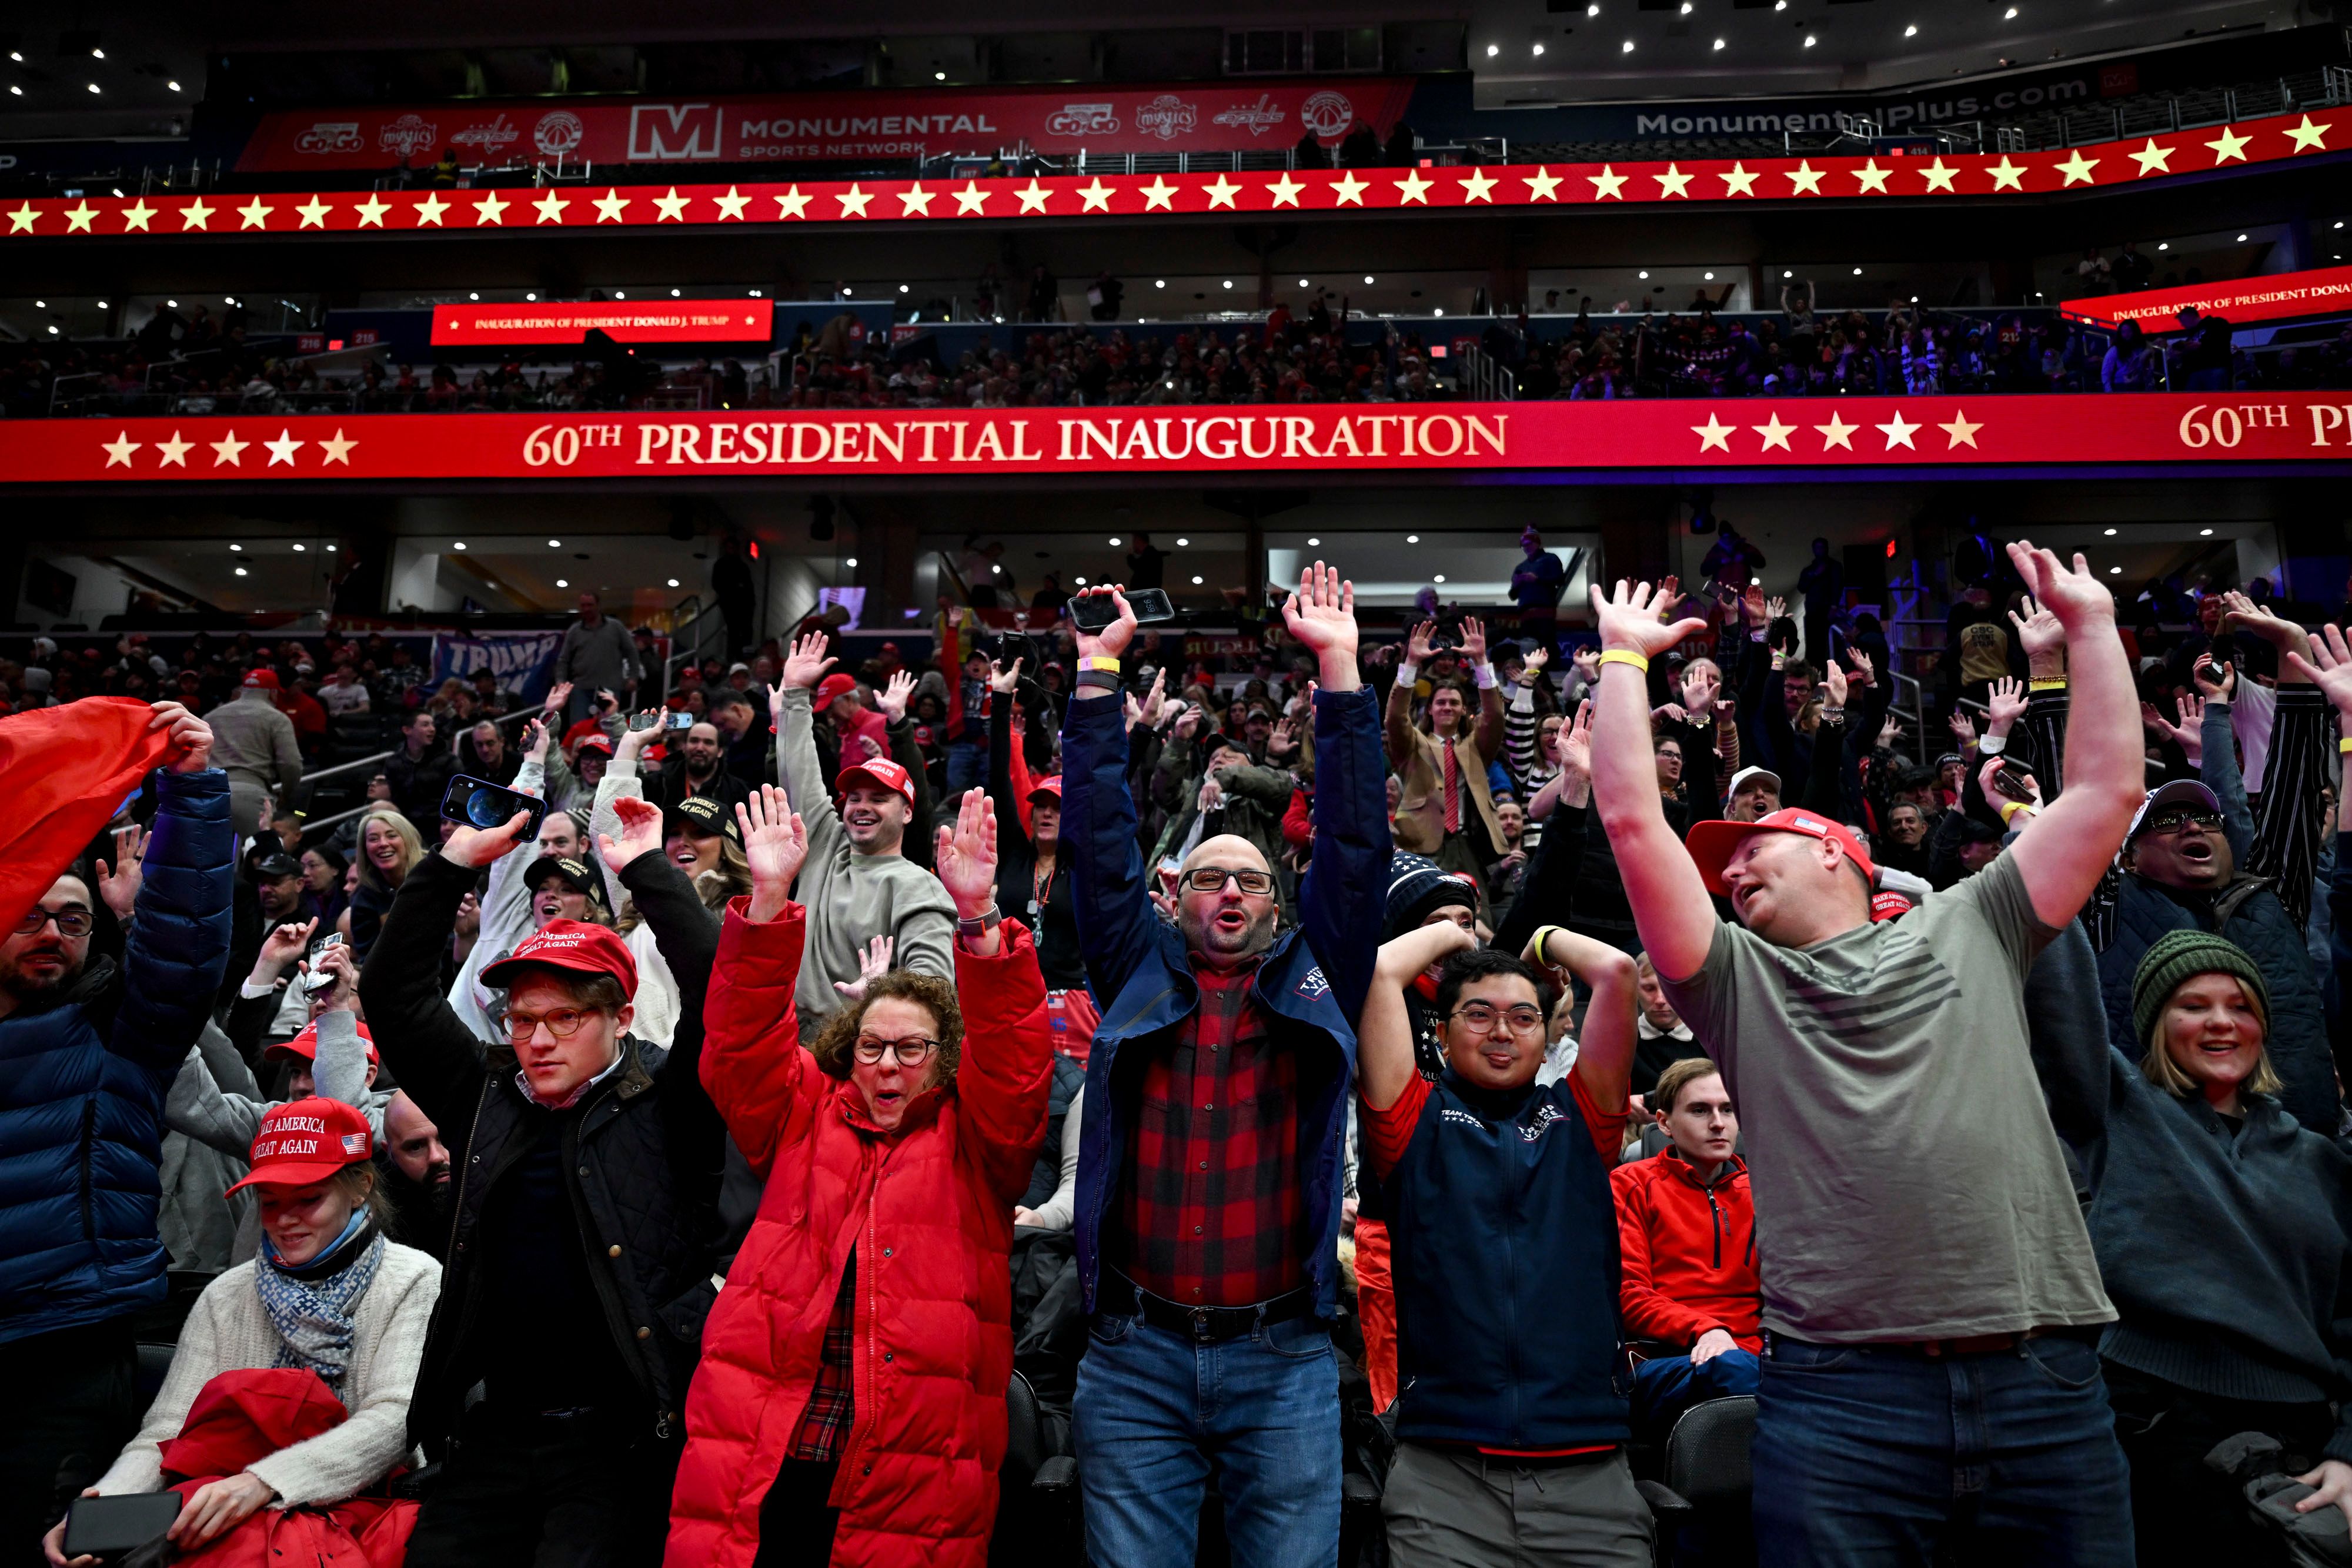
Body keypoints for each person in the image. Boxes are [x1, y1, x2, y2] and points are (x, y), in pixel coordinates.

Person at [1585, 544, 2144, 1563]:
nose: (1734, 865)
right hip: (1844, 1395)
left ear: (1842, 846)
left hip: (2043, 1377)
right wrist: (1624, 660)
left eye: (1758, 847)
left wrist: (2093, 629)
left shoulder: (1978, 919)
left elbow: (2105, 792)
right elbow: (1629, 821)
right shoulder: (1738, 984)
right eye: (1722, 863)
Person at [1063, 566, 1388, 1568]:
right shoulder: (1135, 969)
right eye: (1210, 878)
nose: (1232, 894)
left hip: (1281, 1354)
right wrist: (1096, 673)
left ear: (1281, 909)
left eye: (1251, 880)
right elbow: (1098, 845)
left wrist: (1340, 672)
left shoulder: (1314, 976)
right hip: (1135, 1356)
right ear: (1175, 898)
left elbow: (1351, 843)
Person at [665, 786, 1053, 1567]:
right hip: (772, 1451)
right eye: (872, 1044)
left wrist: (976, 916)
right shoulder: (804, 1108)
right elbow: (738, 1048)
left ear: (944, 1058)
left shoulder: (979, 1141)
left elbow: (1015, 1068)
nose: (888, 1064)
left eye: (913, 1048)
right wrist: (770, 900)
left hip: (908, 1471)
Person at [353, 793, 725, 1566]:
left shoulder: (669, 1101)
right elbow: (394, 993)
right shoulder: (486, 1096)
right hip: (496, 1428)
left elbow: (722, 994)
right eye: (523, 1018)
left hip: (621, 1440)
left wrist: (648, 870)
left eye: (566, 1017)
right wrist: (451, 862)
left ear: (621, 1018)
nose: (540, 1039)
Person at [2029, 928, 2352, 1559]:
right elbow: (2052, 989)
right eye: (2192, 1006)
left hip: (2301, 1443)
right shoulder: (2116, 1112)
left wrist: (2348, 1456)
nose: (2221, 1023)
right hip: (2152, 1431)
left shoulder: (2319, 1160)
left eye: (2240, 1007)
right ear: (2155, 1025)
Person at [2, 702, 229, 1566]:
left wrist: (196, 790)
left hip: (68, 1351)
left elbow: (183, 940)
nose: (53, 931)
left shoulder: (118, 1037)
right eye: (31, 912)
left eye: (74, 917)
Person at [1357, 920, 1648, 1568]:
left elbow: (1617, 973)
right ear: (1440, 1030)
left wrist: (1540, 940)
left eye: (1523, 1017)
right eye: (1478, 1014)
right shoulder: (1412, 1122)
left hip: (1589, 1471)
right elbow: (1379, 972)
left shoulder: (1582, 1121)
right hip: (1445, 1475)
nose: (1501, 1031)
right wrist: (1446, 936)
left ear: (1547, 1037)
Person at [39, 1096, 440, 1568]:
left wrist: (260, 1483)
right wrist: (100, 1509)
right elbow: (167, 1434)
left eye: (308, 1199)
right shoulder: (226, 1293)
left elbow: (393, 1420)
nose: (284, 1220)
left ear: (360, 1188)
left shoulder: (413, 1278)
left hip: (366, 1511)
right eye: (269, 1202)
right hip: (225, 1521)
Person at [770, 634, 956, 1038]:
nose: (861, 806)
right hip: (790, 1043)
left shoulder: (920, 887)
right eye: (854, 797)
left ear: (907, 813)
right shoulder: (825, 844)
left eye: (879, 798)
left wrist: (882, 997)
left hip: (862, 1050)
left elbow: (937, 989)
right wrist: (796, 696)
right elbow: (798, 771)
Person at [1612, 1058, 1759, 1449]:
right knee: (1737, 1370)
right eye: (1700, 1110)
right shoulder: (1632, 1183)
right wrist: (1706, 1328)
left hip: (1753, 1355)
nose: (1718, 1122)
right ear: (1664, 1123)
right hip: (1663, 1358)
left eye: (1727, 1109)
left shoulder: (1765, 1189)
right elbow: (1627, 1294)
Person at [1387, 618, 1507, 892]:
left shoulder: (1475, 747)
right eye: (1440, 702)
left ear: (1465, 710)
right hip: (1420, 844)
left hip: (1469, 844)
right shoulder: (1414, 745)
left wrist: (1480, 661)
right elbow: (1395, 718)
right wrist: (1411, 665)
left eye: (1455, 702)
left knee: (1478, 919)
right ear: (1429, 709)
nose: (1447, 707)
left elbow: (1495, 716)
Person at [203, 670, 303, 838]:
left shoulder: (211, 717)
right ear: (273, 693)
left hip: (207, 794)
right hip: (249, 795)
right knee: (258, 858)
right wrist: (287, 795)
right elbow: (291, 764)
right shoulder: (277, 718)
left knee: (204, 858)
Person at [553, 593, 640, 728]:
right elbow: (563, 660)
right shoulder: (574, 631)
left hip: (610, 687)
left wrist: (633, 677)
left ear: (599, 606)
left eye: (590, 605)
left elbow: (632, 652)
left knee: (610, 729)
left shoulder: (616, 627)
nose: (586, 609)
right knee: (578, 729)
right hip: (581, 688)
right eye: (583, 606)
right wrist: (560, 682)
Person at [1511, 527, 1566, 655]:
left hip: (1544, 610)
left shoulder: (1550, 559)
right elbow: (1513, 595)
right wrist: (1517, 584)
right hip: (1525, 613)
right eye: (1524, 546)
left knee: (1546, 642)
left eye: (1529, 544)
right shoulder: (1521, 567)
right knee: (1528, 644)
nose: (1526, 548)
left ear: (1537, 543)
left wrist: (1537, 579)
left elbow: (1560, 580)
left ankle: (1550, 670)